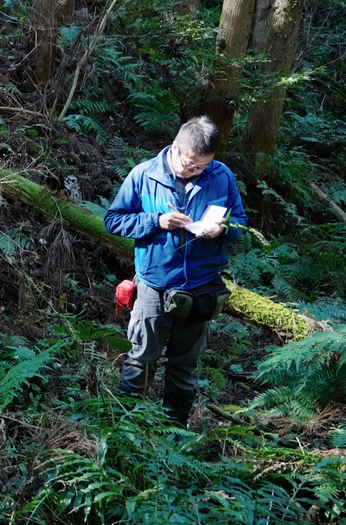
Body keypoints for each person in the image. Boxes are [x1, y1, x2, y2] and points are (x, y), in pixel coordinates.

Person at [103, 116, 247, 427]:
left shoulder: (222, 177)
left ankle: (174, 437)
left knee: (184, 368)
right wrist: (156, 222)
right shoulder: (144, 175)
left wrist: (221, 230)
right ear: (175, 148)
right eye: (192, 165)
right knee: (140, 362)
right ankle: (129, 433)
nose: (198, 171)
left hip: (202, 287)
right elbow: (113, 220)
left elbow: (241, 226)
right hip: (154, 285)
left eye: (203, 166)